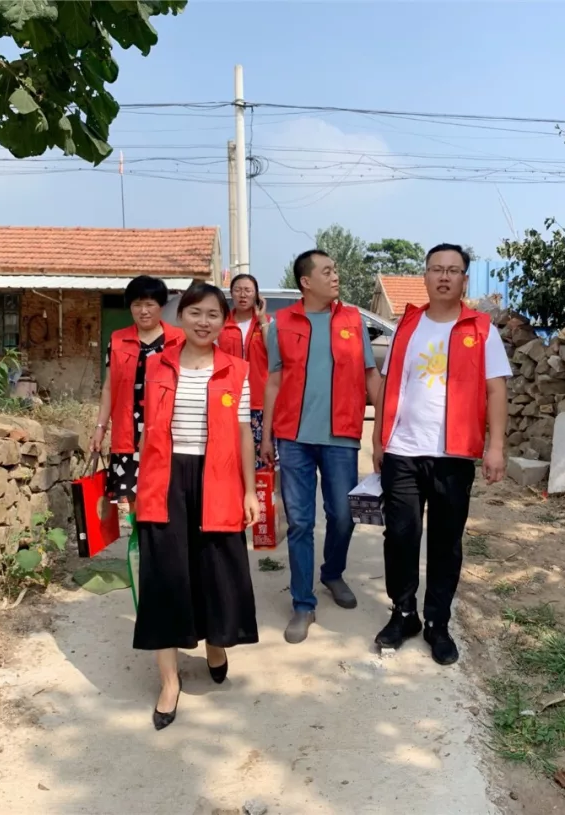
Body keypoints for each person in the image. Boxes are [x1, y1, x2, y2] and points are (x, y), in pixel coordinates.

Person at [371, 243, 511, 665]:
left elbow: (496, 390)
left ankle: (437, 622)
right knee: (400, 536)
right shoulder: (407, 326)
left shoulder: (481, 329)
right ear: (426, 276)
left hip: (454, 455)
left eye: (453, 270)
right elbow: (388, 384)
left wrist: (496, 446)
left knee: (446, 542)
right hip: (402, 450)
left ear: (464, 279)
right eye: (436, 269)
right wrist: (378, 440)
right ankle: (404, 613)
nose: (444, 276)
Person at [133, 283, 260, 731]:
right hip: (164, 479)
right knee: (164, 578)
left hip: (218, 479)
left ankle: (216, 642)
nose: (204, 322)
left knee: (215, 571)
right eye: (195, 313)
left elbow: (244, 434)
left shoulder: (237, 370)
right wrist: (137, 486)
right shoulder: (157, 365)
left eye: (213, 315)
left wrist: (250, 491)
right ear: (180, 316)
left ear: (224, 321)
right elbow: (146, 431)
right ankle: (169, 682)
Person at [261, 250, 382, 644]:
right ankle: (303, 603)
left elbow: (371, 376)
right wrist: (266, 436)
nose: (335, 276)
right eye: (327, 271)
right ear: (306, 282)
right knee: (300, 522)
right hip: (293, 438)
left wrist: (382, 429)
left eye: (335, 270)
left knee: (343, 516)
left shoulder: (353, 320)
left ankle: (332, 572)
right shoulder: (280, 324)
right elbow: (274, 381)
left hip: (341, 436)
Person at [90, 275, 184, 506]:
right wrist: (100, 428)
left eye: (150, 304)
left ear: (161, 306)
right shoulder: (117, 340)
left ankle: (155, 532)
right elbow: (109, 387)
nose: (143, 311)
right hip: (127, 431)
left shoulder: (179, 340)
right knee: (128, 500)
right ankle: (134, 531)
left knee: (165, 496)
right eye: (137, 305)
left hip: (167, 430)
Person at [218, 273, 270, 468]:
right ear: (231, 293)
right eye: (238, 290)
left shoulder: (267, 322)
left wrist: (262, 319)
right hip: (228, 400)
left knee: (261, 462)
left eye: (248, 290)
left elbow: (274, 352)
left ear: (256, 294)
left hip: (259, 402)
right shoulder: (221, 324)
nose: (242, 294)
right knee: (230, 458)